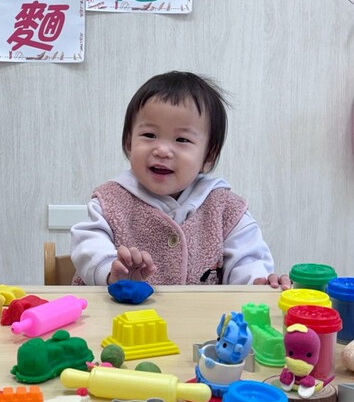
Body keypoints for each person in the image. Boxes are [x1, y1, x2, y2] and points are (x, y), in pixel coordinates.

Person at [71, 71, 290, 289]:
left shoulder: (226, 209)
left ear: (209, 156)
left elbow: (248, 260)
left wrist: (257, 281)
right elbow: (88, 245)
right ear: (129, 143)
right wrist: (111, 272)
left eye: (182, 139)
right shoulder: (110, 201)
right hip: (120, 310)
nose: (162, 150)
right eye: (149, 135)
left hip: (200, 313)